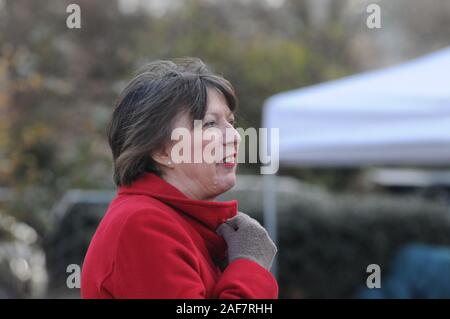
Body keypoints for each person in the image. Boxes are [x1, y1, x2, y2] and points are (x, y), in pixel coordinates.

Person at [81, 58, 278, 298]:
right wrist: (250, 269)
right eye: (210, 124)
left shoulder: (178, 224)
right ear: (162, 151)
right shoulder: (142, 225)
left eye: (231, 122)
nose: (234, 136)